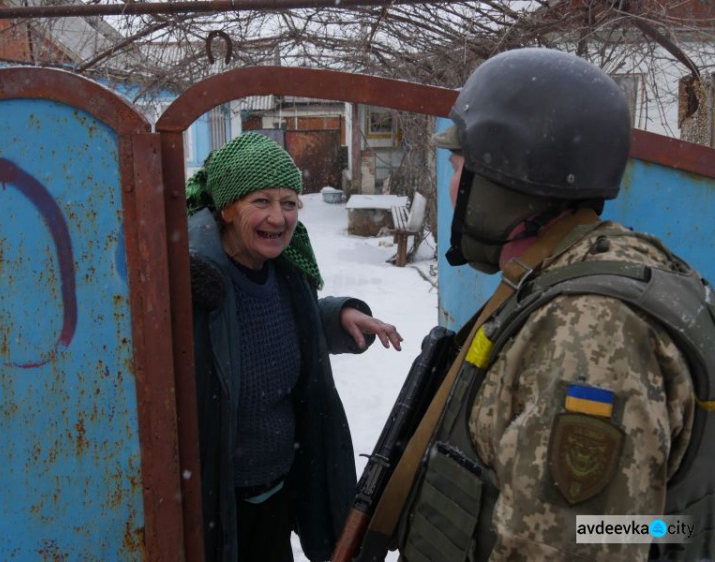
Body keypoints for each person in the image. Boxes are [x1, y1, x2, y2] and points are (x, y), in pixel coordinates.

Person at [394, 48, 715, 561]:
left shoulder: (588, 329)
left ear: (504, 180)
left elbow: (578, 543)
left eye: (458, 167)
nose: (451, 189)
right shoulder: (588, 267)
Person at [185, 132, 404, 562]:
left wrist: (337, 317)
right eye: (261, 201)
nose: (279, 217)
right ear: (227, 209)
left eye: (289, 202)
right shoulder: (195, 282)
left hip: (278, 490)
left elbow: (280, 330)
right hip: (216, 505)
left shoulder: (285, 270)